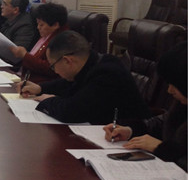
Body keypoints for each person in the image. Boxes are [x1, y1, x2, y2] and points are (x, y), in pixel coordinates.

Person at [18, 30, 151, 124]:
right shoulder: (91, 62)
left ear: (67, 61)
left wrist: (47, 101)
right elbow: (68, 83)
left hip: (128, 139)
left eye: (53, 66)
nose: (55, 71)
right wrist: (40, 88)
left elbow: (71, 112)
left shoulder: (106, 73)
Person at [103, 42, 187, 170]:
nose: (169, 90)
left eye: (175, 85)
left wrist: (161, 148)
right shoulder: (182, 104)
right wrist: (130, 131)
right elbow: (163, 123)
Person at [10, 2, 68, 83]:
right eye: (38, 24)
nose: (38, 27)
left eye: (41, 25)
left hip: (40, 83)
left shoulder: (62, 40)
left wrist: (25, 55)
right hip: (24, 77)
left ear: (55, 25)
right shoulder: (47, 33)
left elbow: (51, 69)